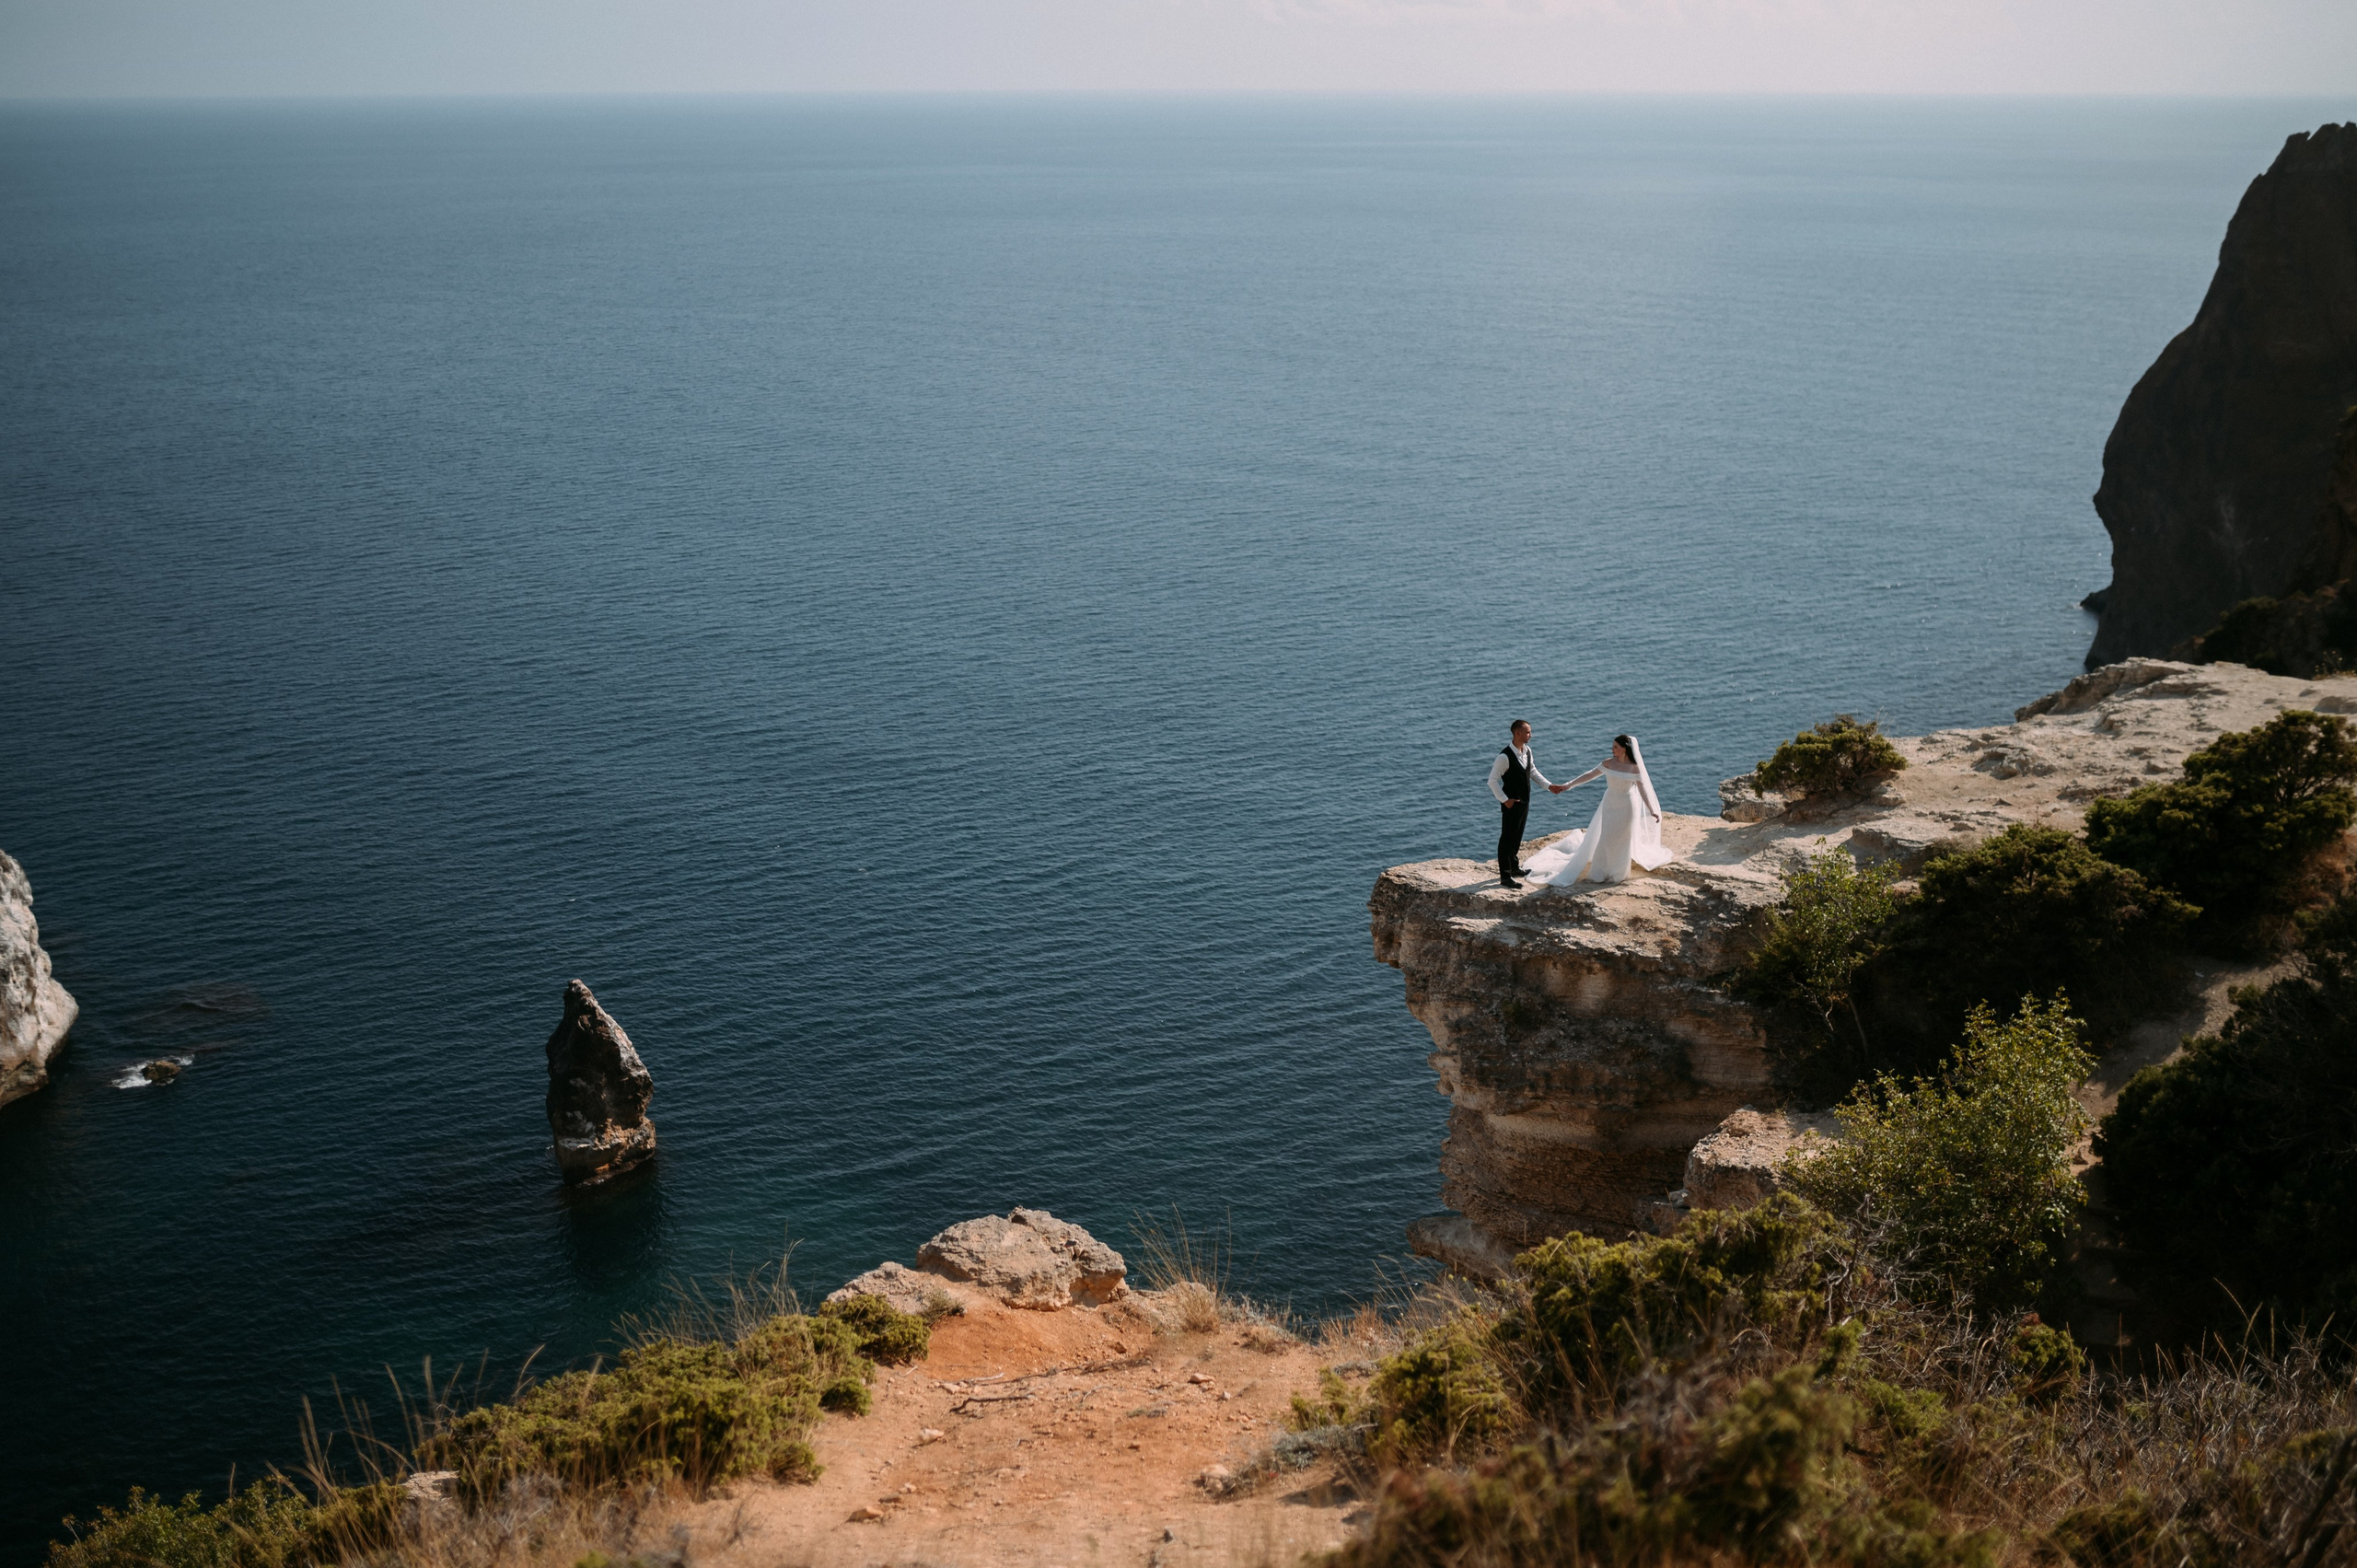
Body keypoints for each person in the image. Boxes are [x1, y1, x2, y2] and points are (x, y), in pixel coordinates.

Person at [1523, 734, 1672, 887]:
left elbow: (1643, 791)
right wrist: (1568, 785)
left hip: (1627, 805)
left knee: (1623, 838)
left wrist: (1652, 809)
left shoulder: (1634, 768)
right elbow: (1589, 775)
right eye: (1613, 746)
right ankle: (1600, 872)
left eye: (1616, 747)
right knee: (1607, 836)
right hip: (1610, 803)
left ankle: (1617, 873)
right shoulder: (1608, 763)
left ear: (1625, 749)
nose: (1612, 749)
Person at [1487, 719, 1570, 888]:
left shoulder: (1527, 751)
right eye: (1528, 732)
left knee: (1517, 835)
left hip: (1524, 801)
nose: (1530, 735)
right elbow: (1492, 781)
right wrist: (1505, 800)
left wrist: (1549, 786)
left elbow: (1532, 771)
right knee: (1507, 838)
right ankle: (1505, 876)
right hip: (1511, 803)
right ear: (1517, 733)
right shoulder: (1504, 757)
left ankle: (1515, 867)